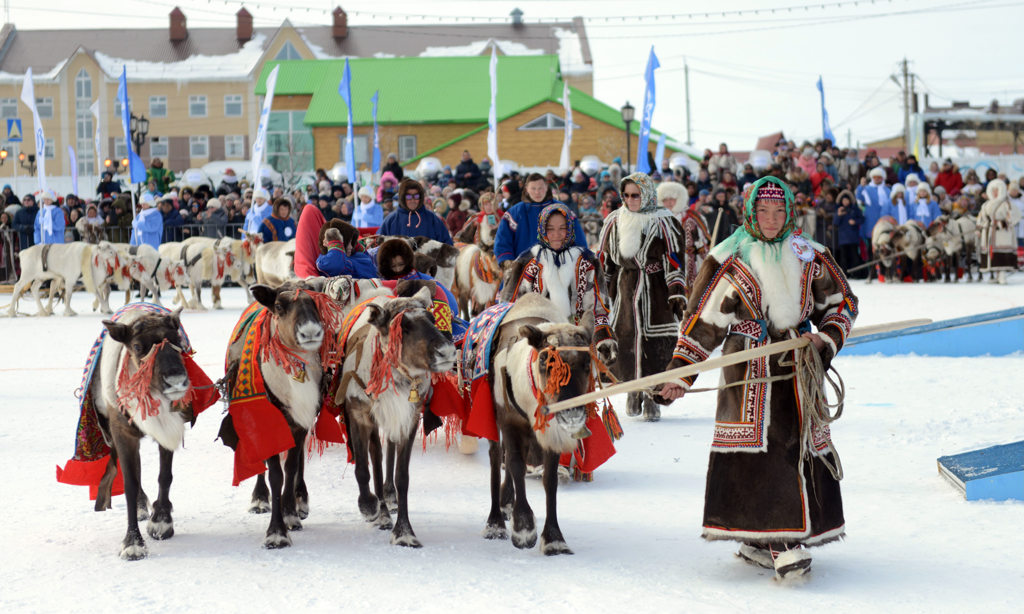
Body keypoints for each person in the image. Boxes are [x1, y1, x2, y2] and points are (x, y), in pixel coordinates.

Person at [660, 176, 858, 580]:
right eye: (763, 211)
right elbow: (702, 323)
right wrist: (680, 374)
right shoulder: (727, 259)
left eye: (779, 211)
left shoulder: (810, 255)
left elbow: (843, 304)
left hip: (801, 367)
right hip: (749, 372)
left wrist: (825, 338)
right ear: (750, 213)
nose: (771, 219)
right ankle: (780, 542)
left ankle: (762, 541)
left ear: (790, 212)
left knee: (797, 446)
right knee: (761, 451)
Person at [499, 202, 618, 480]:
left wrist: (602, 334)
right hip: (541, 343)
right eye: (550, 229)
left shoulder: (587, 261)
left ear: (570, 229)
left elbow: (597, 304)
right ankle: (531, 456)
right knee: (537, 395)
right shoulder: (527, 261)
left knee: (573, 397)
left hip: (574, 343)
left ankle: (567, 460)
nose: (556, 234)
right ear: (542, 230)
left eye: (562, 228)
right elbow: (512, 304)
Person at [597, 172, 685, 422]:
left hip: (655, 289)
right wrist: (603, 291)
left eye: (635, 195)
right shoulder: (614, 220)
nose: (630, 200)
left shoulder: (665, 221)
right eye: (625, 195)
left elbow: (675, 259)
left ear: (646, 194)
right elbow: (604, 258)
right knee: (624, 339)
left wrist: (675, 292)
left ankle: (653, 395)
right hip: (625, 287)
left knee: (655, 343)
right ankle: (632, 389)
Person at [494, 173, 586, 265]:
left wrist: (582, 258)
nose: (537, 192)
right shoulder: (515, 212)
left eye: (540, 188)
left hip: (558, 267)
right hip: (523, 269)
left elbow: (577, 237)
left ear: (546, 187)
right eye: (533, 188)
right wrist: (508, 261)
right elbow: (503, 239)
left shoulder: (562, 210)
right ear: (527, 189)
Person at [658, 180, 709, 299]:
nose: (668, 203)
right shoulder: (659, 219)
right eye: (665, 200)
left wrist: (708, 262)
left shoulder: (692, 217)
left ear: (679, 199)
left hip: (690, 263)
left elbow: (703, 243)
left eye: (671, 199)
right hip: (665, 264)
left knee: (692, 297)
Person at [379, 178, 453, 245]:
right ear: (402, 197)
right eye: (408, 196)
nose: (413, 200)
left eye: (416, 196)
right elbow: (380, 248)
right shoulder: (390, 220)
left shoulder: (432, 219)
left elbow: (447, 246)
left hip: (428, 259)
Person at [977, 179, 1022, 285]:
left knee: (1001, 253)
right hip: (989, 233)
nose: (995, 193)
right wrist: (979, 228)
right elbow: (981, 218)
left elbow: (1012, 217)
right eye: (993, 190)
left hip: (1002, 233)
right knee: (992, 253)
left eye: (997, 190)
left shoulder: (1006, 204)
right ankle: (996, 275)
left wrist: (1001, 223)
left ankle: (1002, 275)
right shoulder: (986, 204)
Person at [833, 189, 864, 275]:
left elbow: (862, 219)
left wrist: (855, 221)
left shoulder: (855, 209)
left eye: (847, 199)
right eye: (843, 200)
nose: (845, 202)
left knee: (855, 256)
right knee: (844, 257)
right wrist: (838, 215)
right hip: (843, 238)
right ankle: (844, 274)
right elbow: (835, 222)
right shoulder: (839, 210)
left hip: (853, 237)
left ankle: (856, 274)